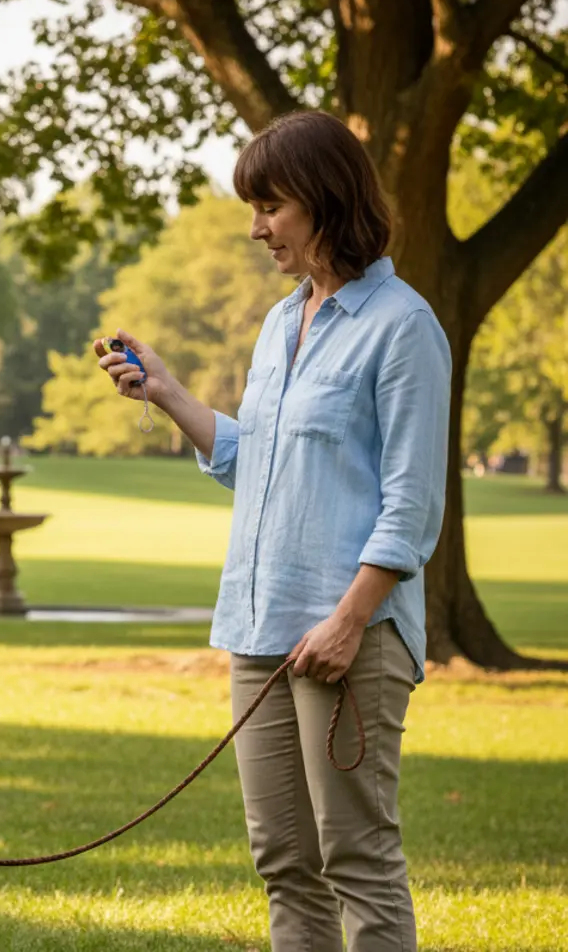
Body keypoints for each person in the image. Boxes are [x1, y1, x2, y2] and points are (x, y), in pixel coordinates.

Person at [96, 110, 450, 952]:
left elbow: (411, 504)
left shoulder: (403, 328)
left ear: (326, 201)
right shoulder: (279, 323)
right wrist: (167, 394)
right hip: (260, 630)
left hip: (350, 636)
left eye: (270, 208)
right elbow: (252, 460)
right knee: (285, 862)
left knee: (356, 858)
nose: (257, 229)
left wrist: (349, 620)